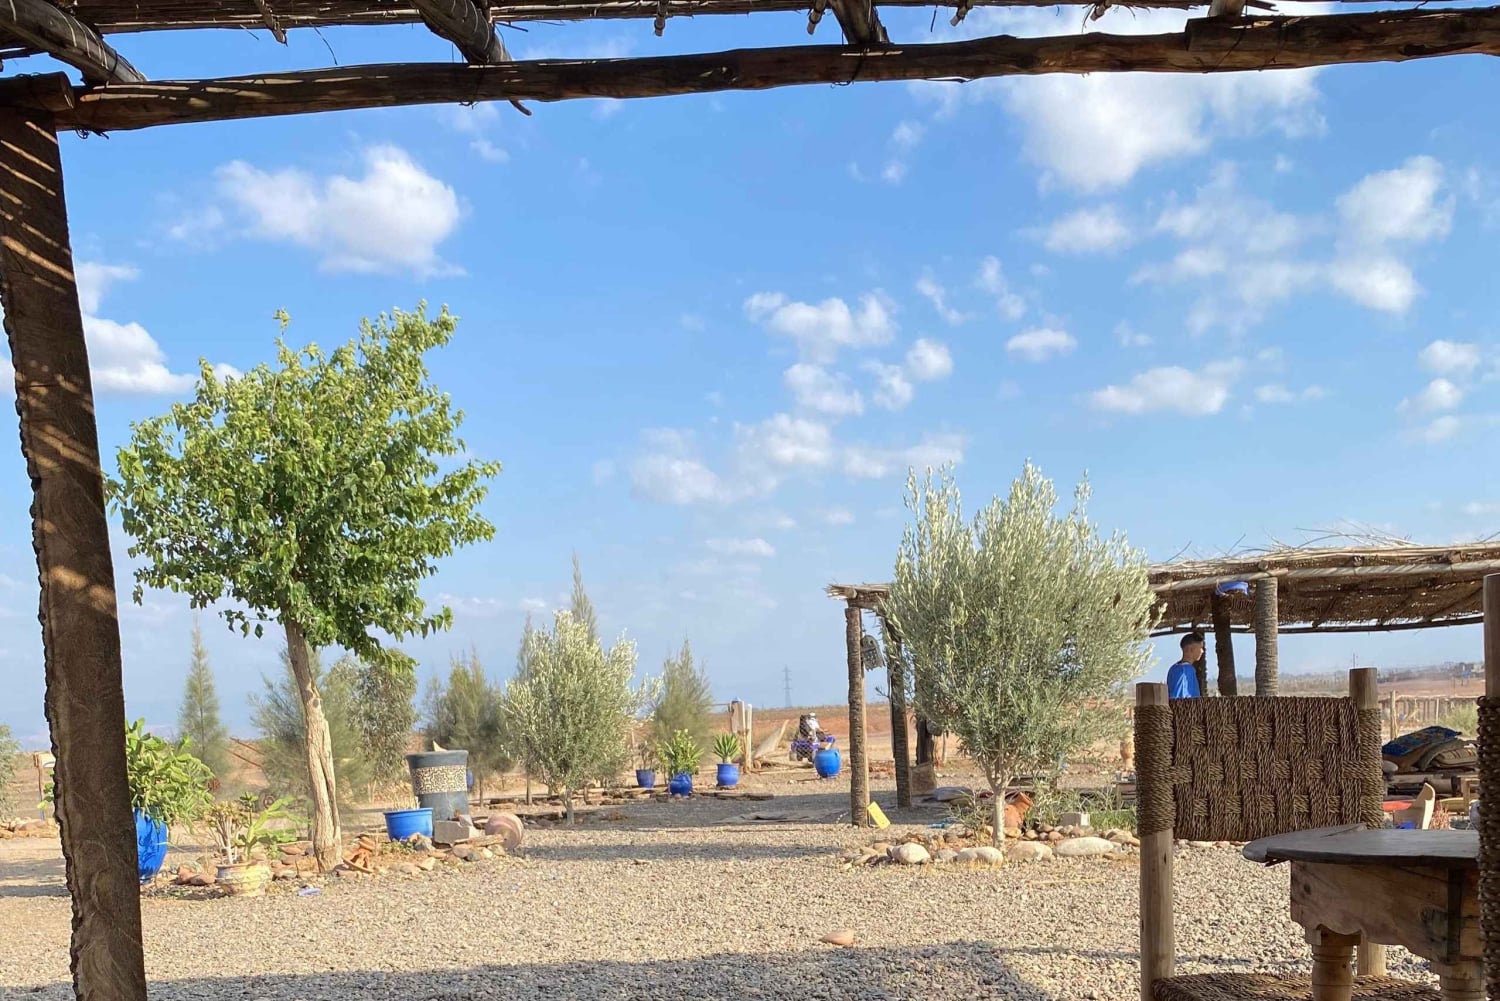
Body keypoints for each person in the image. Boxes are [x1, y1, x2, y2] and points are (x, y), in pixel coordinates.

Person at [1167, 632, 1205, 699]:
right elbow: (1178, 699)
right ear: (1191, 649)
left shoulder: (1173, 668)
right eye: (1200, 648)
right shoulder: (1185, 670)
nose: (1202, 651)